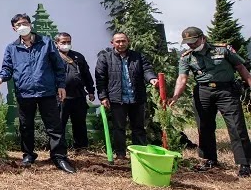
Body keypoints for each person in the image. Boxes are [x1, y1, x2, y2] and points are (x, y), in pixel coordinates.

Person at [0, 14, 75, 173]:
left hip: (46, 91)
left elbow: (58, 66)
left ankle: (59, 157)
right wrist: (1, 78)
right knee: (26, 126)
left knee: (54, 127)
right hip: (24, 92)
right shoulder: (12, 48)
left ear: (30, 24)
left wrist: (61, 86)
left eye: (25, 23)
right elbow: (7, 68)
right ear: (14, 28)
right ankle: (28, 155)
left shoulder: (46, 43)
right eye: (19, 24)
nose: (22, 26)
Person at [170, 27, 251, 177]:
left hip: (226, 90)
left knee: (236, 125)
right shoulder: (186, 57)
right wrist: (175, 96)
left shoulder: (223, 50)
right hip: (203, 92)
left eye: (193, 41)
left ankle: (244, 164)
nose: (191, 45)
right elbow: (182, 78)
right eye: (188, 43)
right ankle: (209, 159)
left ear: (203, 38)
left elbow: (240, 67)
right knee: (204, 126)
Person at [95, 32, 157, 161]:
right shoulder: (105, 58)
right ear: (112, 43)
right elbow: (100, 79)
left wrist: (152, 79)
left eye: (123, 41)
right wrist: (103, 97)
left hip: (137, 98)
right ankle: (121, 155)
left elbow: (147, 70)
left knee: (138, 128)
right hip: (117, 99)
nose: (121, 44)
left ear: (128, 41)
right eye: (118, 41)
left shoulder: (138, 56)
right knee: (119, 128)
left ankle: (139, 154)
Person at [54, 32, 95, 150]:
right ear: (57, 43)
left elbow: (86, 75)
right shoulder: (52, 57)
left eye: (68, 42)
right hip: (60, 97)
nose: (66, 44)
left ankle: (81, 148)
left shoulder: (78, 57)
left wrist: (91, 90)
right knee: (59, 125)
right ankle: (59, 150)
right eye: (63, 42)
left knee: (80, 124)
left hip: (78, 96)